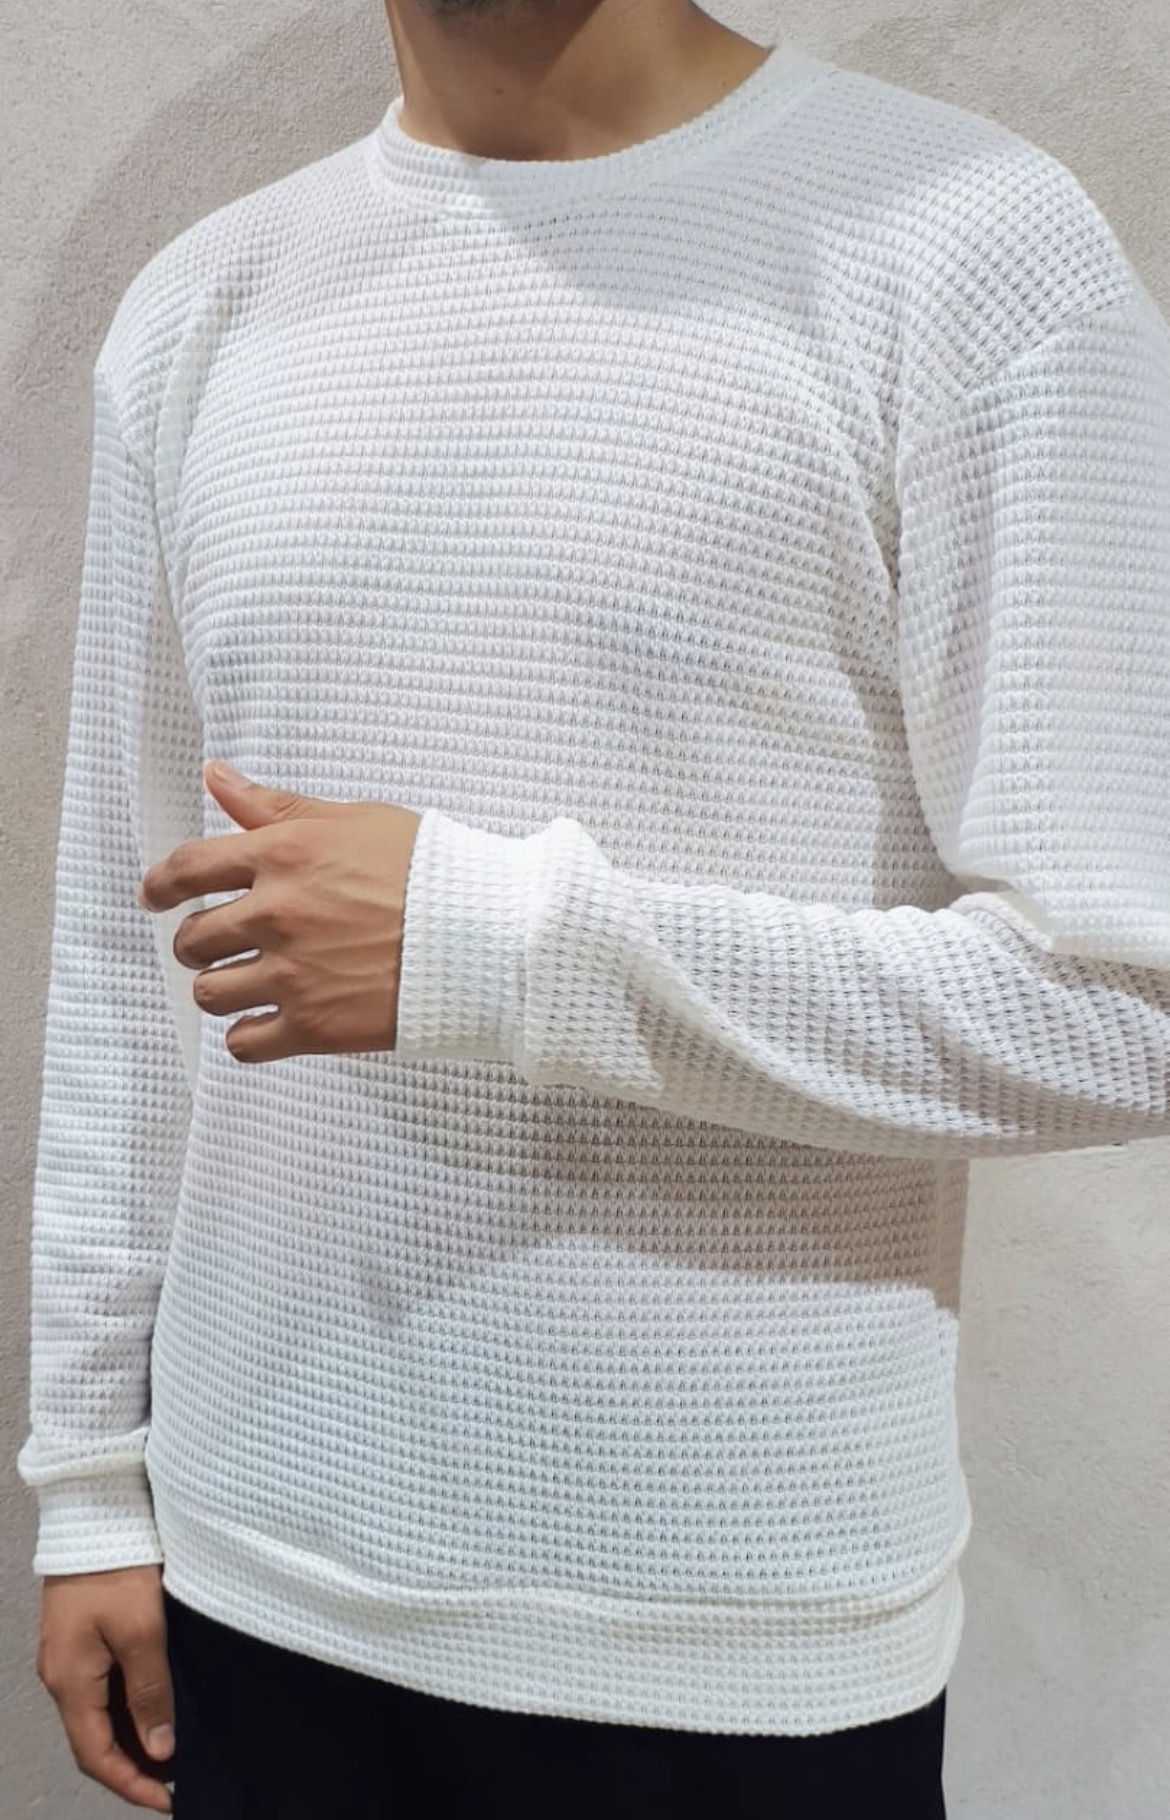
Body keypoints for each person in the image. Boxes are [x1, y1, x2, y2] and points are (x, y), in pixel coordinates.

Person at [19, 0, 1170, 1813]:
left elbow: (1126, 1004)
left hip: (733, 1639)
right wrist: (91, 1476)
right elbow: (124, 953)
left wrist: (501, 950)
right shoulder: (202, 307)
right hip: (255, 1578)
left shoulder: (970, 252)